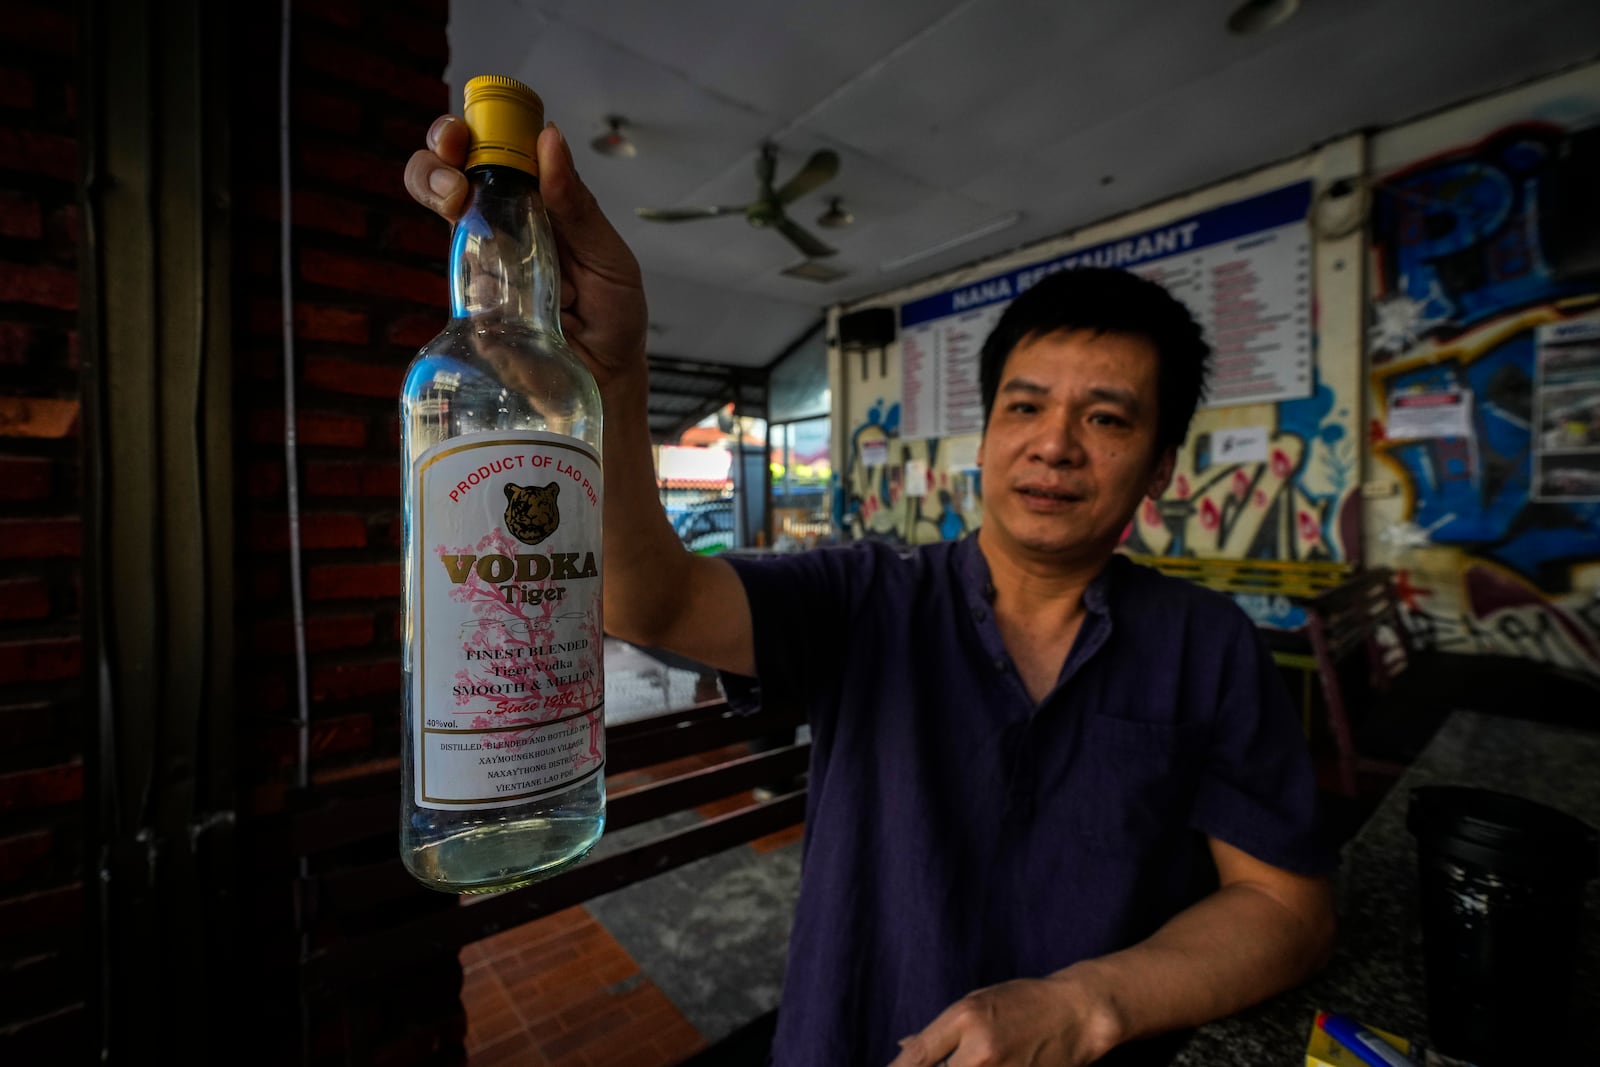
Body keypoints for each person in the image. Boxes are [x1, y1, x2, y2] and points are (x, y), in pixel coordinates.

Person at [405, 116, 1337, 1067]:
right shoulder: (869, 594)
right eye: (1025, 405)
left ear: (1161, 468)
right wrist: (616, 381)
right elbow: (654, 603)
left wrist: (1090, 1003)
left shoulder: (1208, 644)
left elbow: (1285, 906)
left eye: (1105, 417)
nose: (1054, 444)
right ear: (986, 435)